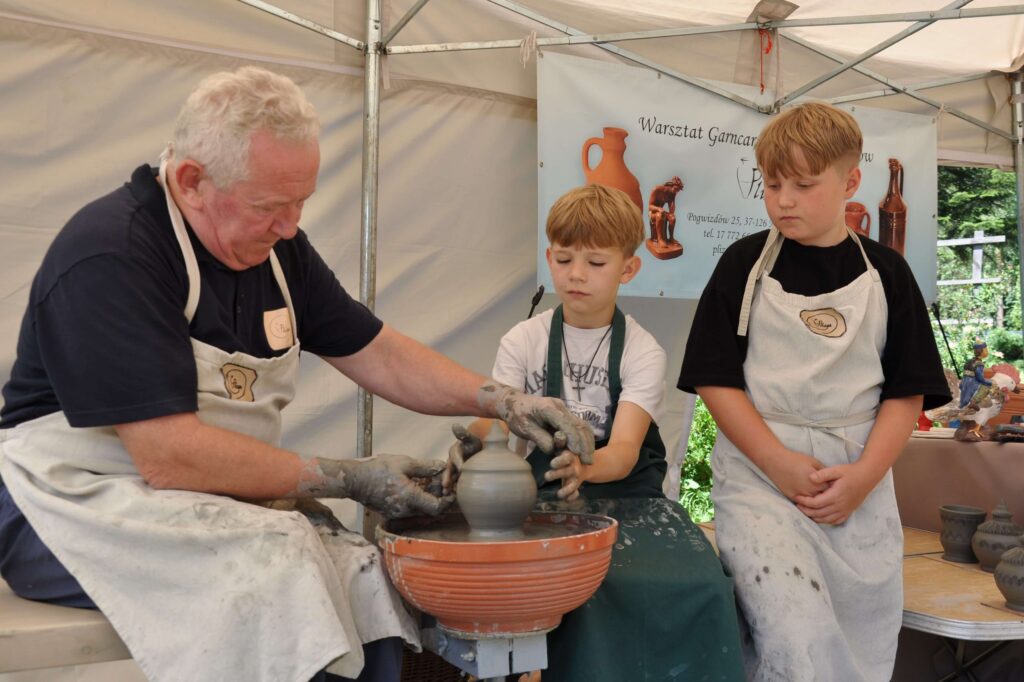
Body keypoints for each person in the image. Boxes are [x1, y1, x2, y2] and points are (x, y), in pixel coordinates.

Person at [0, 66, 593, 682]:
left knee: (356, 564)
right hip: (63, 503)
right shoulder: (113, 254)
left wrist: (502, 400)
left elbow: (379, 352)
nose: (290, 226)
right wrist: (343, 477)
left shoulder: (276, 251)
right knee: (281, 561)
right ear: (191, 180)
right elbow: (167, 456)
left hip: (194, 497)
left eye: (300, 202)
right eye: (270, 206)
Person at [678, 102, 950, 681]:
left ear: (851, 182)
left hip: (856, 480)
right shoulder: (742, 265)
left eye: (804, 185)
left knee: (859, 639)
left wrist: (863, 478)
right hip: (760, 477)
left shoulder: (888, 275)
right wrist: (777, 463)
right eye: (773, 184)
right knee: (791, 629)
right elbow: (714, 379)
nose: (784, 200)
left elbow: (906, 396)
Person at [447, 184, 745, 681]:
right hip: (543, 498)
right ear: (549, 258)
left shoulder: (642, 350)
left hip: (630, 497)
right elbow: (495, 419)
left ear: (628, 268)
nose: (576, 275)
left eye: (595, 263)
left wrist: (587, 466)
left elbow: (626, 450)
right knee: (570, 588)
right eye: (564, 260)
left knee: (702, 584)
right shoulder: (525, 339)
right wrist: (472, 444)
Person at [958, 338, 991, 408]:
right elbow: (980, 378)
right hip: (972, 383)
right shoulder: (979, 364)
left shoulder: (969, 361)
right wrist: (987, 382)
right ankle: (973, 402)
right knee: (987, 386)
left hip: (964, 382)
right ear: (983, 351)